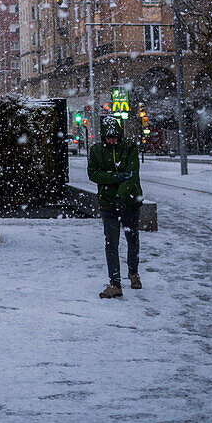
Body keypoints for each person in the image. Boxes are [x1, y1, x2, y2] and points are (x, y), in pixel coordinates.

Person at [87, 113, 143, 298]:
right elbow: (93, 173)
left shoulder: (129, 148)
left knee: (132, 238)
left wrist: (121, 195)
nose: (112, 141)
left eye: (115, 137)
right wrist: (113, 177)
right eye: (109, 138)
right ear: (104, 136)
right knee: (111, 243)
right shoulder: (96, 150)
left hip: (129, 201)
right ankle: (115, 283)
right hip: (108, 203)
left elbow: (132, 175)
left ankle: (133, 273)